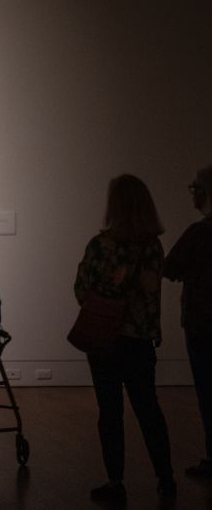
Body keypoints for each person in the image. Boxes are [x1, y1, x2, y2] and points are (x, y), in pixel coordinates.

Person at [75, 174, 175, 504]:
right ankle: (166, 478)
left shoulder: (100, 245)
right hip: (140, 341)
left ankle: (115, 481)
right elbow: (151, 293)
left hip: (104, 339)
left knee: (110, 412)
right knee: (149, 410)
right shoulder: (153, 247)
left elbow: (81, 290)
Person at [164, 165, 212, 478]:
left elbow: (170, 267)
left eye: (195, 187)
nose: (191, 192)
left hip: (202, 324)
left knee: (208, 392)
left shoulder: (199, 233)